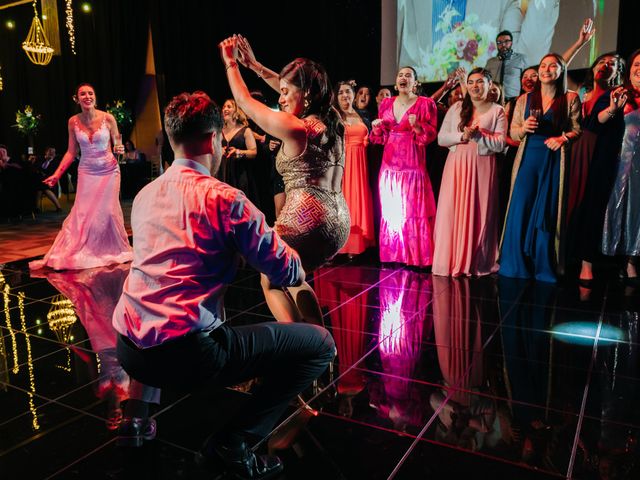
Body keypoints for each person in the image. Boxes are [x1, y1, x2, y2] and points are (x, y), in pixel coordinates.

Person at [113, 91, 335, 479]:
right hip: (190, 356)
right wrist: (289, 244)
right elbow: (286, 272)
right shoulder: (226, 199)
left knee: (150, 305)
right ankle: (233, 444)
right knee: (320, 346)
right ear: (215, 140)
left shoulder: (146, 195)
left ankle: (134, 422)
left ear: (170, 138)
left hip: (128, 348)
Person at [224, 34, 350, 324]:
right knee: (295, 275)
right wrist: (255, 66)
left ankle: (301, 345)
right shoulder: (332, 120)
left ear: (305, 93)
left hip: (306, 220)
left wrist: (231, 63)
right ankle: (320, 347)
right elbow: (293, 89)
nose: (279, 99)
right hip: (339, 220)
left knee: (271, 279)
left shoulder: (296, 128)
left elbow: (244, 101)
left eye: (283, 92)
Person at [29, 84, 132, 270]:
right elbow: (70, 152)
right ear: (77, 99)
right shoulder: (72, 122)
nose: (87, 96)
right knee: (84, 214)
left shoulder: (108, 118)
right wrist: (56, 175)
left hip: (109, 171)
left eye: (90, 93)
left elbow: (118, 145)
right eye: (83, 94)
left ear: (95, 97)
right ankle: (88, 250)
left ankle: (109, 249)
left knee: (107, 212)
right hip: (87, 172)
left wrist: (121, 150)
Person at [499, 54, 582, 282]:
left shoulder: (570, 98)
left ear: (561, 70)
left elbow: (577, 129)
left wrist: (563, 139)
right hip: (528, 158)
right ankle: (515, 263)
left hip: (553, 158)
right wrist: (524, 128)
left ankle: (543, 265)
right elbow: (513, 132)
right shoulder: (525, 99)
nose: (546, 70)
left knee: (547, 210)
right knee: (520, 207)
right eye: (543, 65)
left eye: (552, 66)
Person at [434, 68, 506, 276]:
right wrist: (462, 136)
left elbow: (500, 144)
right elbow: (441, 138)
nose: (475, 86)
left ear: (489, 85)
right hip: (456, 163)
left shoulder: (497, 110)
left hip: (482, 164)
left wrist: (478, 137)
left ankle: (476, 260)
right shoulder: (456, 107)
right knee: (451, 210)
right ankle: (450, 260)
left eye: (480, 82)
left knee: (479, 210)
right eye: (471, 82)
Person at [565, 53, 627, 285]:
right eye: (602, 61)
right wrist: (580, 43)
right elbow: (561, 69)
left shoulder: (617, 94)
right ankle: (567, 256)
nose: (606, 65)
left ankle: (587, 264)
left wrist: (611, 109)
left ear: (617, 73)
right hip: (578, 152)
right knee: (573, 203)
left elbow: (599, 121)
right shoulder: (582, 92)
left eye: (612, 64)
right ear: (593, 66)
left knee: (592, 206)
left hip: (600, 156)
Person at [370, 66, 438, 267]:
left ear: (415, 83)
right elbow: (380, 137)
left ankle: (416, 257)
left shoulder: (426, 104)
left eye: (408, 75)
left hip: (412, 164)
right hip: (389, 165)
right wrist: (376, 128)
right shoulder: (386, 103)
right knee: (392, 211)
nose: (403, 78)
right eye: (400, 75)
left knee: (413, 210)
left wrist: (417, 126)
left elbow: (430, 136)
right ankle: (394, 255)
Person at [602, 49, 640, 284]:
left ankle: (632, 260)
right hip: (621, 161)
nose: (639, 69)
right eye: (637, 64)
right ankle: (615, 256)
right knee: (618, 206)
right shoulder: (620, 94)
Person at [335, 80, 375, 256]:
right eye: (341, 92)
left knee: (359, 201)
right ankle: (341, 245)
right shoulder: (334, 116)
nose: (345, 95)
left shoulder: (362, 116)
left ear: (353, 94)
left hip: (361, 164)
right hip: (343, 163)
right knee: (344, 202)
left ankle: (357, 246)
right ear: (336, 97)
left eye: (348, 92)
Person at [219, 99, 260, 208]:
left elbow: (254, 152)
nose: (225, 109)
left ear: (236, 111)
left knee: (241, 207)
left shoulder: (245, 130)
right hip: (223, 174)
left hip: (240, 174)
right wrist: (219, 151)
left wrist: (238, 152)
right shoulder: (219, 131)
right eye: (223, 107)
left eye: (228, 106)